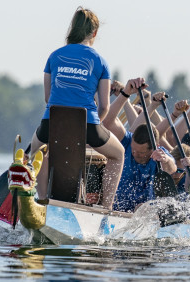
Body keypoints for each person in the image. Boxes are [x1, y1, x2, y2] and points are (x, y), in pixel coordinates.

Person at [29, 7, 125, 210]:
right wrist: (90, 133)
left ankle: (44, 200)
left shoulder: (54, 56)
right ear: (95, 33)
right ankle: (107, 208)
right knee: (118, 154)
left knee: (36, 150)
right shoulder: (100, 62)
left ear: (72, 29)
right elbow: (105, 106)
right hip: (88, 124)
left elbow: (48, 98)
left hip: (52, 122)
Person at [103, 78, 177, 212]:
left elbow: (172, 168)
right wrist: (125, 93)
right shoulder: (127, 141)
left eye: (141, 153)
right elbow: (108, 122)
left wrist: (165, 160)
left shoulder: (159, 153)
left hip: (143, 216)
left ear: (154, 147)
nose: (135, 154)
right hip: (116, 211)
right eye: (133, 150)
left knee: (143, 209)